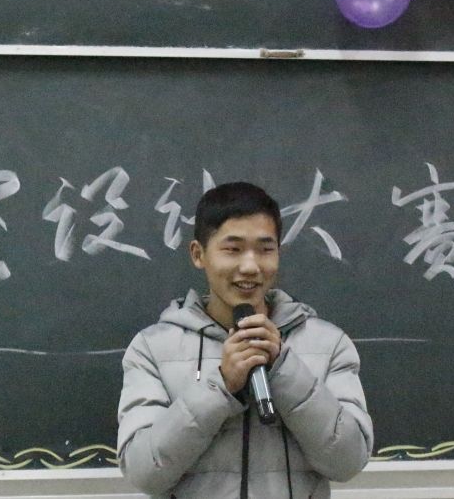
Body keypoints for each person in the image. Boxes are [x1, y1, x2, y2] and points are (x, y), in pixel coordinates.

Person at [117, 182, 373, 498]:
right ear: (198, 254)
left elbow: (348, 463)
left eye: (265, 249)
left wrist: (283, 369)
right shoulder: (153, 349)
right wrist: (219, 387)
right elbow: (143, 472)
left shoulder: (327, 344)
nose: (250, 266)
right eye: (233, 249)